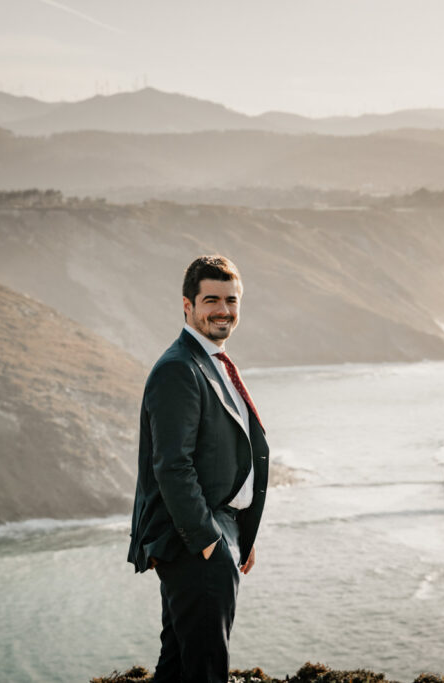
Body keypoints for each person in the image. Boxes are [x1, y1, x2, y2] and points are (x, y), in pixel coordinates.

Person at [127, 255, 269, 682]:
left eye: (231, 300)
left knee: (179, 664)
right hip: (194, 541)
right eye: (211, 300)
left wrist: (240, 527)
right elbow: (172, 466)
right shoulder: (178, 368)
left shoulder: (213, 362)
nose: (223, 310)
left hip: (217, 530)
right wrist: (210, 540)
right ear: (187, 305)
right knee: (206, 669)